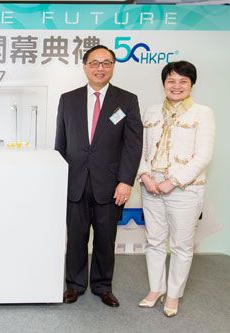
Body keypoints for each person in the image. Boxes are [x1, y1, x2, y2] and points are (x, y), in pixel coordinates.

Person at [54, 45, 143, 307]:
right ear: (85, 67)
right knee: (77, 238)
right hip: (75, 183)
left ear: (113, 66)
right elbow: (60, 143)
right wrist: (60, 180)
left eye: (106, 63)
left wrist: (126, 180)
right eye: (94, 63)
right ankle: (75, 285)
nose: (100, 68)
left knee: (105, 238)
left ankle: (103, 286)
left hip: (111, 184)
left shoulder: (127, 100)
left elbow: (132, 144)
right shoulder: (67, 99)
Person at [137, 61, 215, 317]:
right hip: (151, 186)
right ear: (164, 84)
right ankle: (155, 288)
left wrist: (174, 181)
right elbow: (141, 150)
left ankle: (173, 295)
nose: (177, 86)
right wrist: (145, 176)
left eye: (183, 81)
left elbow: (203, 156)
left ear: (192, 84)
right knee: (155, 241)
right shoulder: (151, 112)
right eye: (171, 81)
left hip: (184, 188)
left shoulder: (202, 113)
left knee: (181, 246)